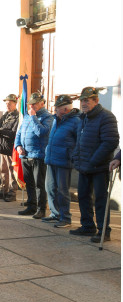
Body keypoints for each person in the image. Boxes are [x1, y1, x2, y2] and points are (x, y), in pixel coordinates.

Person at [70, 87, 119, 242]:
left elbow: (110, 142)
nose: (84, 103)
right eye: (82, 100)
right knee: (83, 197)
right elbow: (79, 141)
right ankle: (87, 226)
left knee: (100, 200)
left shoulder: (106, 117)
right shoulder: (83, 117)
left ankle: (104, 231)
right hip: (84, 166)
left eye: (87, 100)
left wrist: (93, 161)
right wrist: (76, 158)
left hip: (99, 167)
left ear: (96, 100)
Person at [42, 95, 81, 228]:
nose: (55, 110)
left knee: (62, 191)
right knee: (50, 187)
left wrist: (71, 155)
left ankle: (66, 218)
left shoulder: (76, 121)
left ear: (65, 109)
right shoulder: (56, 120)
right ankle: (55, 213)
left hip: (64, 161)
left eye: (57, 108)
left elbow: (79, 142)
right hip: (52, 159)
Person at [14, 92, 53, 218]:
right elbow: (19, 133)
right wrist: (18, 146)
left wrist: (33, 118)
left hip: (38, 155)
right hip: (25, 155)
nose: (31, 107)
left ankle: (41, 209)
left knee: (39, 184)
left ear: (42, 103)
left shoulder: (47, 117)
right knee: (29, 182)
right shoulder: (26, 116)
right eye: (30, 104)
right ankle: (31, 206)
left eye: (34, 104)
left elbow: (42, 132)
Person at [0, 94, 20, 201]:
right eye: (6, 103)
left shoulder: (17, 117)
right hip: (2, 147)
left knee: (12, 171)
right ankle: (3, 190)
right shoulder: (5, 116)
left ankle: (12, 192)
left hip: (10, 148)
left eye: (9, 103)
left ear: (15, 104)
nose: (7, 105)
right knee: (3, 170)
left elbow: (13, 133)